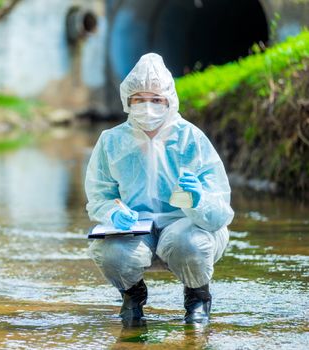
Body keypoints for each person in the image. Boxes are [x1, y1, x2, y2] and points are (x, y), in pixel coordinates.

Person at [85, 53, 233, 325]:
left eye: (155, 99)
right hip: (136, 229)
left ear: (169, 101)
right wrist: (112, 213)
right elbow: (99, 196)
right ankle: (132, 294)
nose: (147, 106)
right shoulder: (111, 141)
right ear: (127, 101)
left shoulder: (191, 138)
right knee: (108, 251)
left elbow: (221, 211)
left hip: (184, 225)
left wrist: (199, 200)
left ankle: (197, 296)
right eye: (139, 99)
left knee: (189, 243)